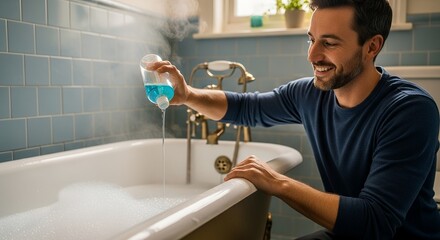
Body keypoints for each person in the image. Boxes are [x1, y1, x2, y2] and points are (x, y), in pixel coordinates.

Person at [149, 0, 440, 239]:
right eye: (311, 40)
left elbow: (375, 222)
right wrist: (187, 95)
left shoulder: (410, 110)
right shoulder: (310, 94)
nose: (313, 55)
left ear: (372, 47)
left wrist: (277, 182)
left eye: (329, 43)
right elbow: (246, 108)